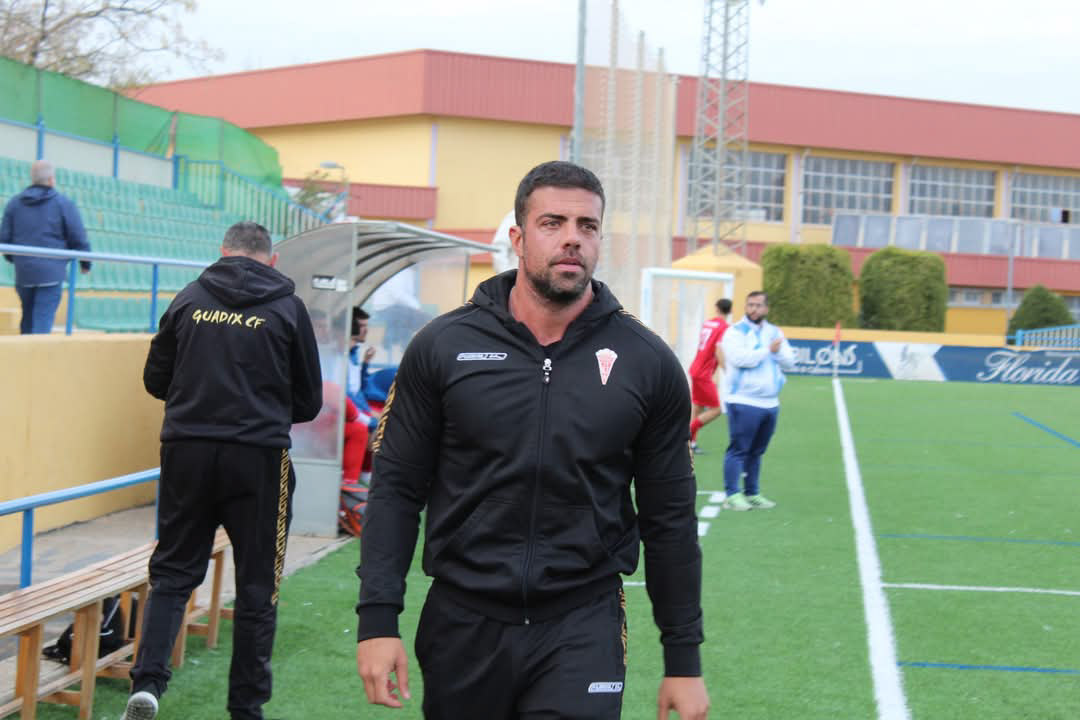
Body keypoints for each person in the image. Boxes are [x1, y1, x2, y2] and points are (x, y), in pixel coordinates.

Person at [354, 161, 709, 720]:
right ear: (518, 239)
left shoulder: (648, 362)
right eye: (553, 223)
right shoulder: (443, 347)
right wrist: (378, 620)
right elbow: (396, 488)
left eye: (587, 226)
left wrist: (683, 659)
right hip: (462, 619)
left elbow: (670, 517)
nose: (573, 238)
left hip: (582, 621)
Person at [129, 222, 322, 720]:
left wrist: (199, 399)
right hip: (259, 457)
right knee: (258, 586)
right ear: (272, 260)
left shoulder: (189, 298)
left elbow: (155, 379)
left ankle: (147, 684)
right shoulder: (288, 308)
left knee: (173, 572)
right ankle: (245, 709)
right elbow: (309, 400)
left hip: (187, 451)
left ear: (222, 252)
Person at [719, 291, 796, 512]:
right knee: (738, 449)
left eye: (758, 305)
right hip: (743, 400)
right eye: (750, 305)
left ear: (766, 308)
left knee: (757, 451)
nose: (754, 309)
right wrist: (767, 351)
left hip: (770, 403)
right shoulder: (735, 331)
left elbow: (790, 362)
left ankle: (752, 492)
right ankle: (732, 494)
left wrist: (777, 353)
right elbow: (739, 359)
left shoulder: (774, 332)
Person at [0, 159, 90, 334]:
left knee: (27, 319)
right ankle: (35, 351)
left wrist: (18, 259)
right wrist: (85, 263)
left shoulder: (14, 204)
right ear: (51, 180)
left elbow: (4, 239)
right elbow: (77, 236)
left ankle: (25, 350)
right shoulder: (63, 204)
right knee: (42, 322)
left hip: (24, 272)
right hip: (51, 273)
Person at [687, 298, 732, 454]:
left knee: (698, 407)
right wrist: (728, 371)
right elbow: (718, 350)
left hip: (696, 368)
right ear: (730, 311)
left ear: (717, 308)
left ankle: (691, 443)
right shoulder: (725, 328)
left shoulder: (708, 323)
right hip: (703, 374)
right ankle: (685, 435)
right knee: (716, 410)